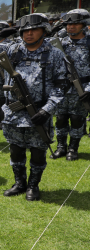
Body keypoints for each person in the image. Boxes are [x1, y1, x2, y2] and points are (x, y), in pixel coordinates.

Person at [0, 13, 67, 201]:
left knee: (37, 152)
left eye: (34, 29)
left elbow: (61, 86)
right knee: (16, 150)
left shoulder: (54, 54)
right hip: (13, 113)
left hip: (38, 112)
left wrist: (47, 110)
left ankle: (33, 185)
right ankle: (19, 183)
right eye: (25, 30)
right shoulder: (12, 50)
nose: (29, 34)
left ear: (44, 30)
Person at [52, 9, 90, 161]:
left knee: (77, 118)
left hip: (82, 89)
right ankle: (61, 147)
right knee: (60, 118)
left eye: (75, 24)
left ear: (84, 25)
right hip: (62, 88)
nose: (70, 27)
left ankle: (73, 148)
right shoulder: (59, 44)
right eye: (68, 24)